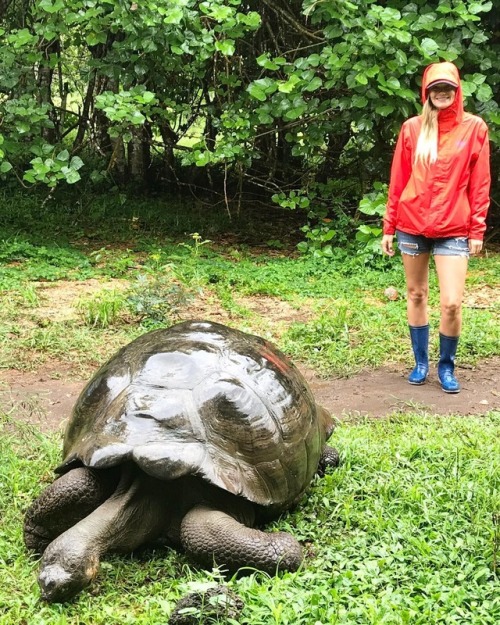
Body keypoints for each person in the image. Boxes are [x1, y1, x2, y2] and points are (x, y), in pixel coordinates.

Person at [381, 61, 491, 393]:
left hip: (455, 227)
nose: (442, 93)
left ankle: (446, 366)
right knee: (415, 293)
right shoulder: (412, 128)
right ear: (426, 92)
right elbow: (398, 179)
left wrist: (477, 229)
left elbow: (480, 183)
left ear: (457, 92)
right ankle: (420, 363)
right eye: (435, 88)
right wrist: (389, 225)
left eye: (448, 88)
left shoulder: (474, 128)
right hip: (411, 224)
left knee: (452, 302)